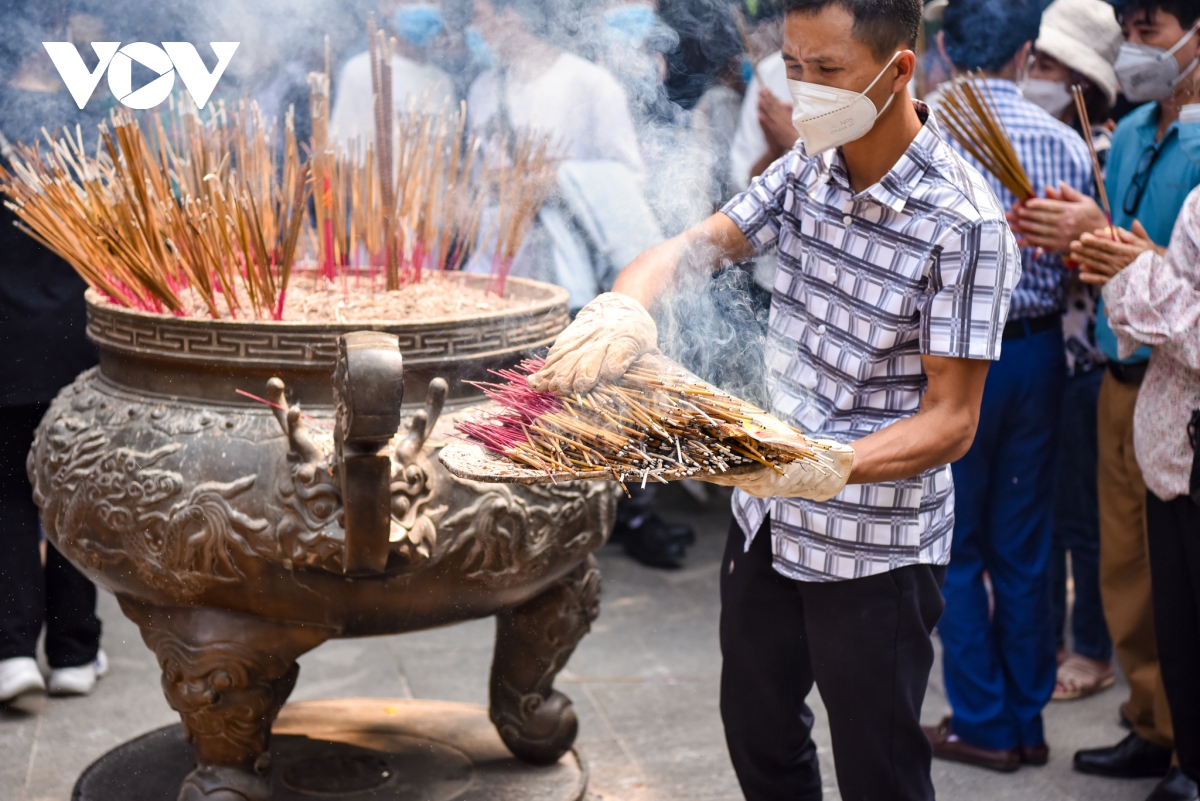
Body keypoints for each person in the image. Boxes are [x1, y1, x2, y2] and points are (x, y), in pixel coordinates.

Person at [527, 0, 1021, 794]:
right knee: (756, 725)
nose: (803, 89)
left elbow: (952, 420)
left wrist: (826, 462)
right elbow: (694, 246)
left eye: (827, 71)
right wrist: (624, 304)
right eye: (794, 65)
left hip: (874, 539)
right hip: (768, 509)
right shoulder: (808, 167)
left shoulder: (965, 224)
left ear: (899, 70)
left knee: (879, 762)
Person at [1011, 2, 1200, 796]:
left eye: (1149, 36)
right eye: (1128, 40)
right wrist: (1072, 238)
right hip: (1126, 379)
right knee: (1128, 569)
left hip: (1181, 385)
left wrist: (1109, 245)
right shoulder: (1125, 136)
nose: (1134, 57)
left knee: (1181, 585)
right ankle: (1154, 724)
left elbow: (1168, 278)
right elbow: (1120, 257)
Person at [922, 0, 1094, 773]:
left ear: (945, 49)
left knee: (956, 546)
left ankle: (982, 720)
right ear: (1027, 50)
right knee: (1025, 546)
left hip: (955, 362)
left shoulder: (923, 137)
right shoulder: (1064, 141)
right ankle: (1026, 719)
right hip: (1035, 359)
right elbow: (1083, 263)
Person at [465, 0, 696, 569]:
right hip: (509, 259)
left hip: (578, 266)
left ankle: (625, 513)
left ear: (517, 15)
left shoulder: (589, 83)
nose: (481, 29)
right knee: (519, 389)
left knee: (594, 388)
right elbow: (472, 177)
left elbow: (629, 178)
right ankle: (526, 512)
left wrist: (559, 179)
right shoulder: (483, 87)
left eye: (487, 15)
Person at [1073, 182, 1200, 801]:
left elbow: (1182, 318)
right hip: (1171, 450)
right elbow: (1163, 313)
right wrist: (1140, 267)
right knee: (1176, 625)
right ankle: (1184, 758)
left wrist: (1144, 275)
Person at [0, 5, 106, 705]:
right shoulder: (89, 114)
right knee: (74, 491)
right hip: (76, 337)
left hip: (6, 340)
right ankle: (74, 649)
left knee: (8, 491)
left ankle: (11, 650)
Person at [1025, 0, 1124, 704]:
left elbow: (1120, 257)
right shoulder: (1039, 141)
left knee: (1083, 522)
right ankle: (1055, 637)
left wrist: (1077, 241)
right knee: (1050, 515)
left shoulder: (1109, 154)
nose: (1035, 72)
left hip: (1091, 360)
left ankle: (1093, 647)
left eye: (1050, 65)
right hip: (1047, 360)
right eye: (1034, 59)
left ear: (1083, 82)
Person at [330, 1, 457, 147]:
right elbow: (342, 153)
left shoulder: (443, 82)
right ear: (385, 5)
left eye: (431, 1)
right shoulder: (362, 72)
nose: (423, 4)